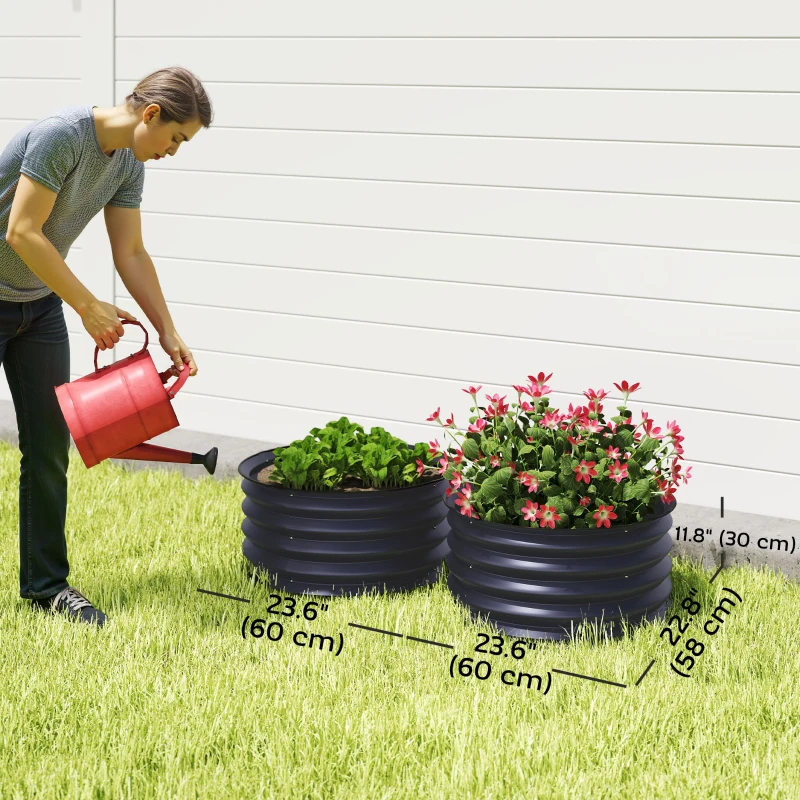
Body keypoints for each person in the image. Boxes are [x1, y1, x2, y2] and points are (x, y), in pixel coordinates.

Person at [0, 66, 212, 627]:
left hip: (36, 306)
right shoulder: (61, 136)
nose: (173, 151)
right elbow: (21, 230)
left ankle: (46, 588)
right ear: (150, 115)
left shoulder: (128, 164)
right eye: (176, 138)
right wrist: (87, 305)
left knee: (48, 447)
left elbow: (132, 253)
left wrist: (165, 328)